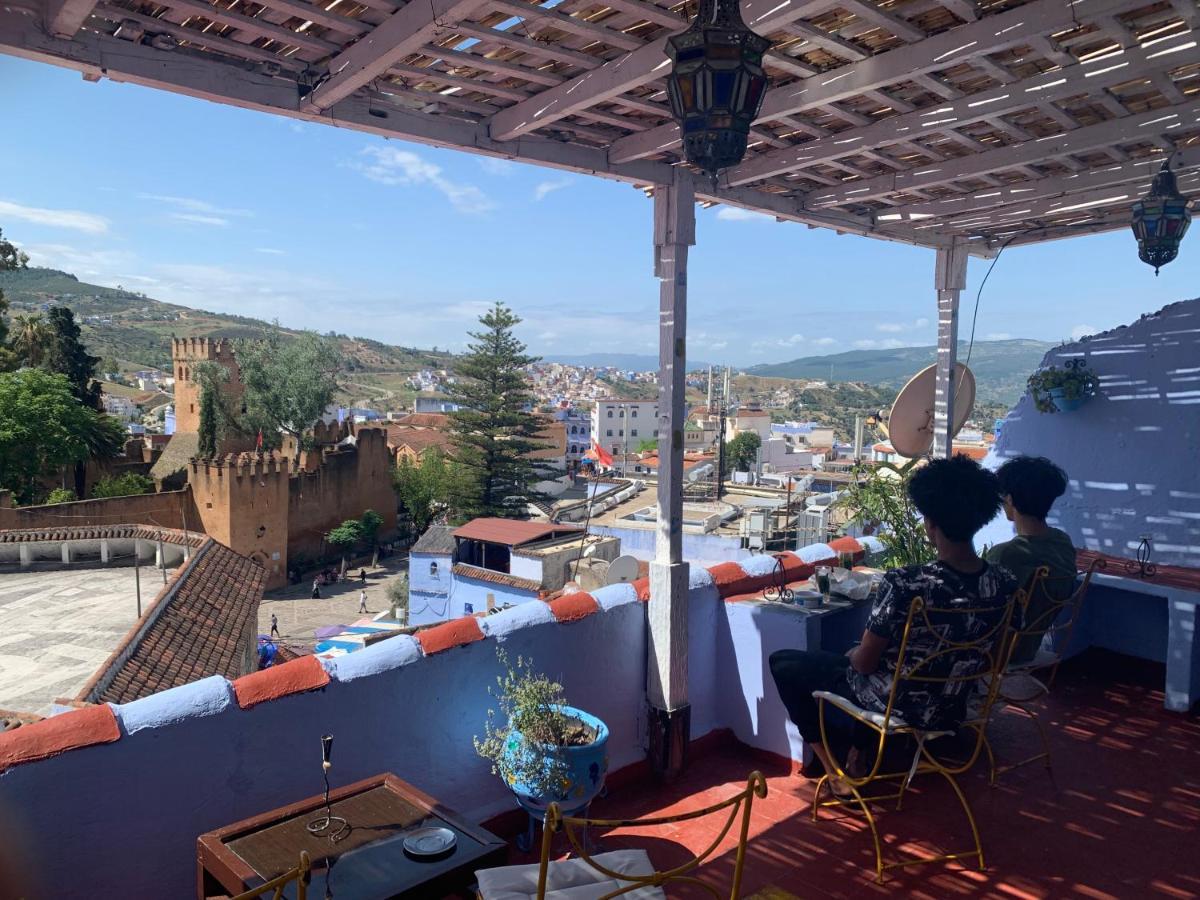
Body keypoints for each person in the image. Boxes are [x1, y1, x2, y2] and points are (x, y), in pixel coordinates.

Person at [770, 455, 1018, 794]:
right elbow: (1000, 659)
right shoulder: (1004, 582)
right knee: (875, 670)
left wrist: (855, 651)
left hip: (897, 705)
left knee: (786, 662)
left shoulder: (907, 583)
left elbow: (864, 663)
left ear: (931, 523)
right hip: (955, 705)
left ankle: (834, 772)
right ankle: (860, 752)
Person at [986, 455, 1076, 666]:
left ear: (1009, 499)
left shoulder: (1006, 555)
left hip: (996, 652)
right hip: (1030, 646)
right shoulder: (1062, 542)